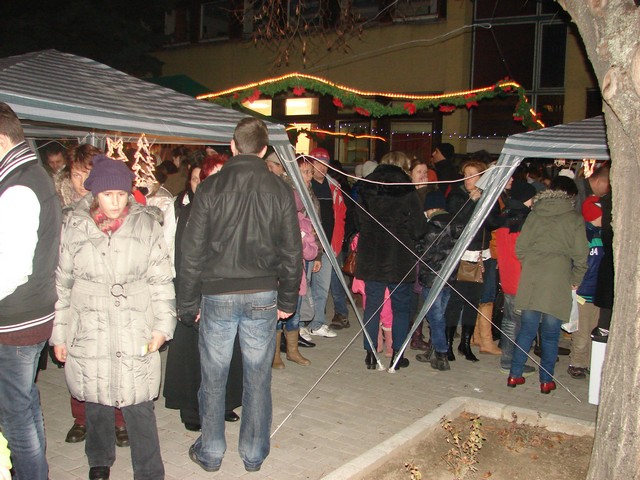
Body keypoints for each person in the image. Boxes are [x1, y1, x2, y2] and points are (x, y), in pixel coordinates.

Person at [177, 117, 302, 473]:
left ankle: (211, 451)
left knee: (214, 374)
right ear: (264, 150)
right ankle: (253, 453)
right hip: (263, 292)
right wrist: (288, 300)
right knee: (258, 377)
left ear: (233, 146)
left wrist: (188, 303)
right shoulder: (279, 189)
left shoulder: (210, 188)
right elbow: (291, 251)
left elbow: (192, 251)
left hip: (217, 293)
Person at [51, 154, 176, 480]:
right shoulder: (75, 226)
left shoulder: (146, 225)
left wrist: (162, 326)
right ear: (96, 194)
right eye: (108, 195)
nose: (116, 201)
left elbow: (161, 280)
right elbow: (63, 284)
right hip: (90, 323)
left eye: (121, 194)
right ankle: (99, 461)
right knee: (96, 398)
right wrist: (59, 334)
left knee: (139, 402)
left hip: (134, 323)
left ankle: (149, 471)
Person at [54, 144, 132, 448]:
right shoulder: (65, 206)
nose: (81, 181)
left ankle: (119, 419)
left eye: (86, 174)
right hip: (81, 298)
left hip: (113, 297)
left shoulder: (114, 203)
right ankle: (81, 418)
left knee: (116, 361)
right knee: (80, 363)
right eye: (76, 174)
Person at [0, 102, 62, 480]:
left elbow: (11, 268)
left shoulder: (19, 185)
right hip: (29, 313)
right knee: (24, 404)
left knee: (15, 414)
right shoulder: (28, 174)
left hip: (16, 319)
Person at [164, 153, 244, 431]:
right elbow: (181, 259)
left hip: (226, 294)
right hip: (196, 293)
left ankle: (224, 402)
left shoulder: (237, 211)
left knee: (227, 352)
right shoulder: (188, 212)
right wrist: (188, 300)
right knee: (193, 354)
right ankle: (191, 407)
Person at [507, 187, 588, 394]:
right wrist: (576, 278)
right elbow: (581, 254)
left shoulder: (535, 214)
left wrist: (531, 264)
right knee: (551, 334)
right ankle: (546, 380)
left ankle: (514, 374)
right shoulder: (574, 218)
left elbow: (520, 247)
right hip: (558, 276)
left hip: (533, 276)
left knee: (527, 329)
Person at [356, 151, 428, 370]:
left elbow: (358, 220)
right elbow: (418, 229)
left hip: (372, 255)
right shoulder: (407, 188)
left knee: (372, 306)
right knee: (401, 308)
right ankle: (397, 354)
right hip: (399, 257)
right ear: (403, 166)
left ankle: (370, 354)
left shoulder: (366, 185)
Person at [445, 160, 500, 362]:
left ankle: (466, 344)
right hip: (462, 256)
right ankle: (448, 344)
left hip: (481, 256)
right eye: (465, 174)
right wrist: (471, 202)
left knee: (473, 301)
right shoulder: (457, 195)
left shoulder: (488, 196)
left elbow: (493, 223)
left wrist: (483, 201)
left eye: (473, 175)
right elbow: (458, 223)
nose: (468, 179)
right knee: (456, 300)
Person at [415, 189, 463, 371]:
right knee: (440, 315)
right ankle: (433, 350)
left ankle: (442, 355)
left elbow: (424, 254)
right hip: (450, 278)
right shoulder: (458, 225)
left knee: (435, 317)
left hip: (432, 278)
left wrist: (417, 245)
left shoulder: (431, 228)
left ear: (431, 208)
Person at [302, 147, 347, 338]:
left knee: (322, 287)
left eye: (325, 163)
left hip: (328, 246)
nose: (322, 167)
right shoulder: (306, 185)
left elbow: (341, 216)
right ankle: (301, 325)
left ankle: (317, 323)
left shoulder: (333, 186)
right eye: (318, 163)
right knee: (305, 287)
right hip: (310, 246)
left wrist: (337, 242)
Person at [495, 180, 537, 374]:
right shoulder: (525, 220)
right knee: (519, 323)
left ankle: (507, 358)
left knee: (509, 320)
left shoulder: (505, 216)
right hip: (522, 277)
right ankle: (513, 362)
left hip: (507, 275)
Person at [568, 195, 604, 379]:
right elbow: (578, 262)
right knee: (582, 331)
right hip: (583, 290)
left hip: (598, 291)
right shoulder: (584, 235)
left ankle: (590, 361)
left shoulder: (603, 234)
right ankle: (577, 362)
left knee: (594, 329)